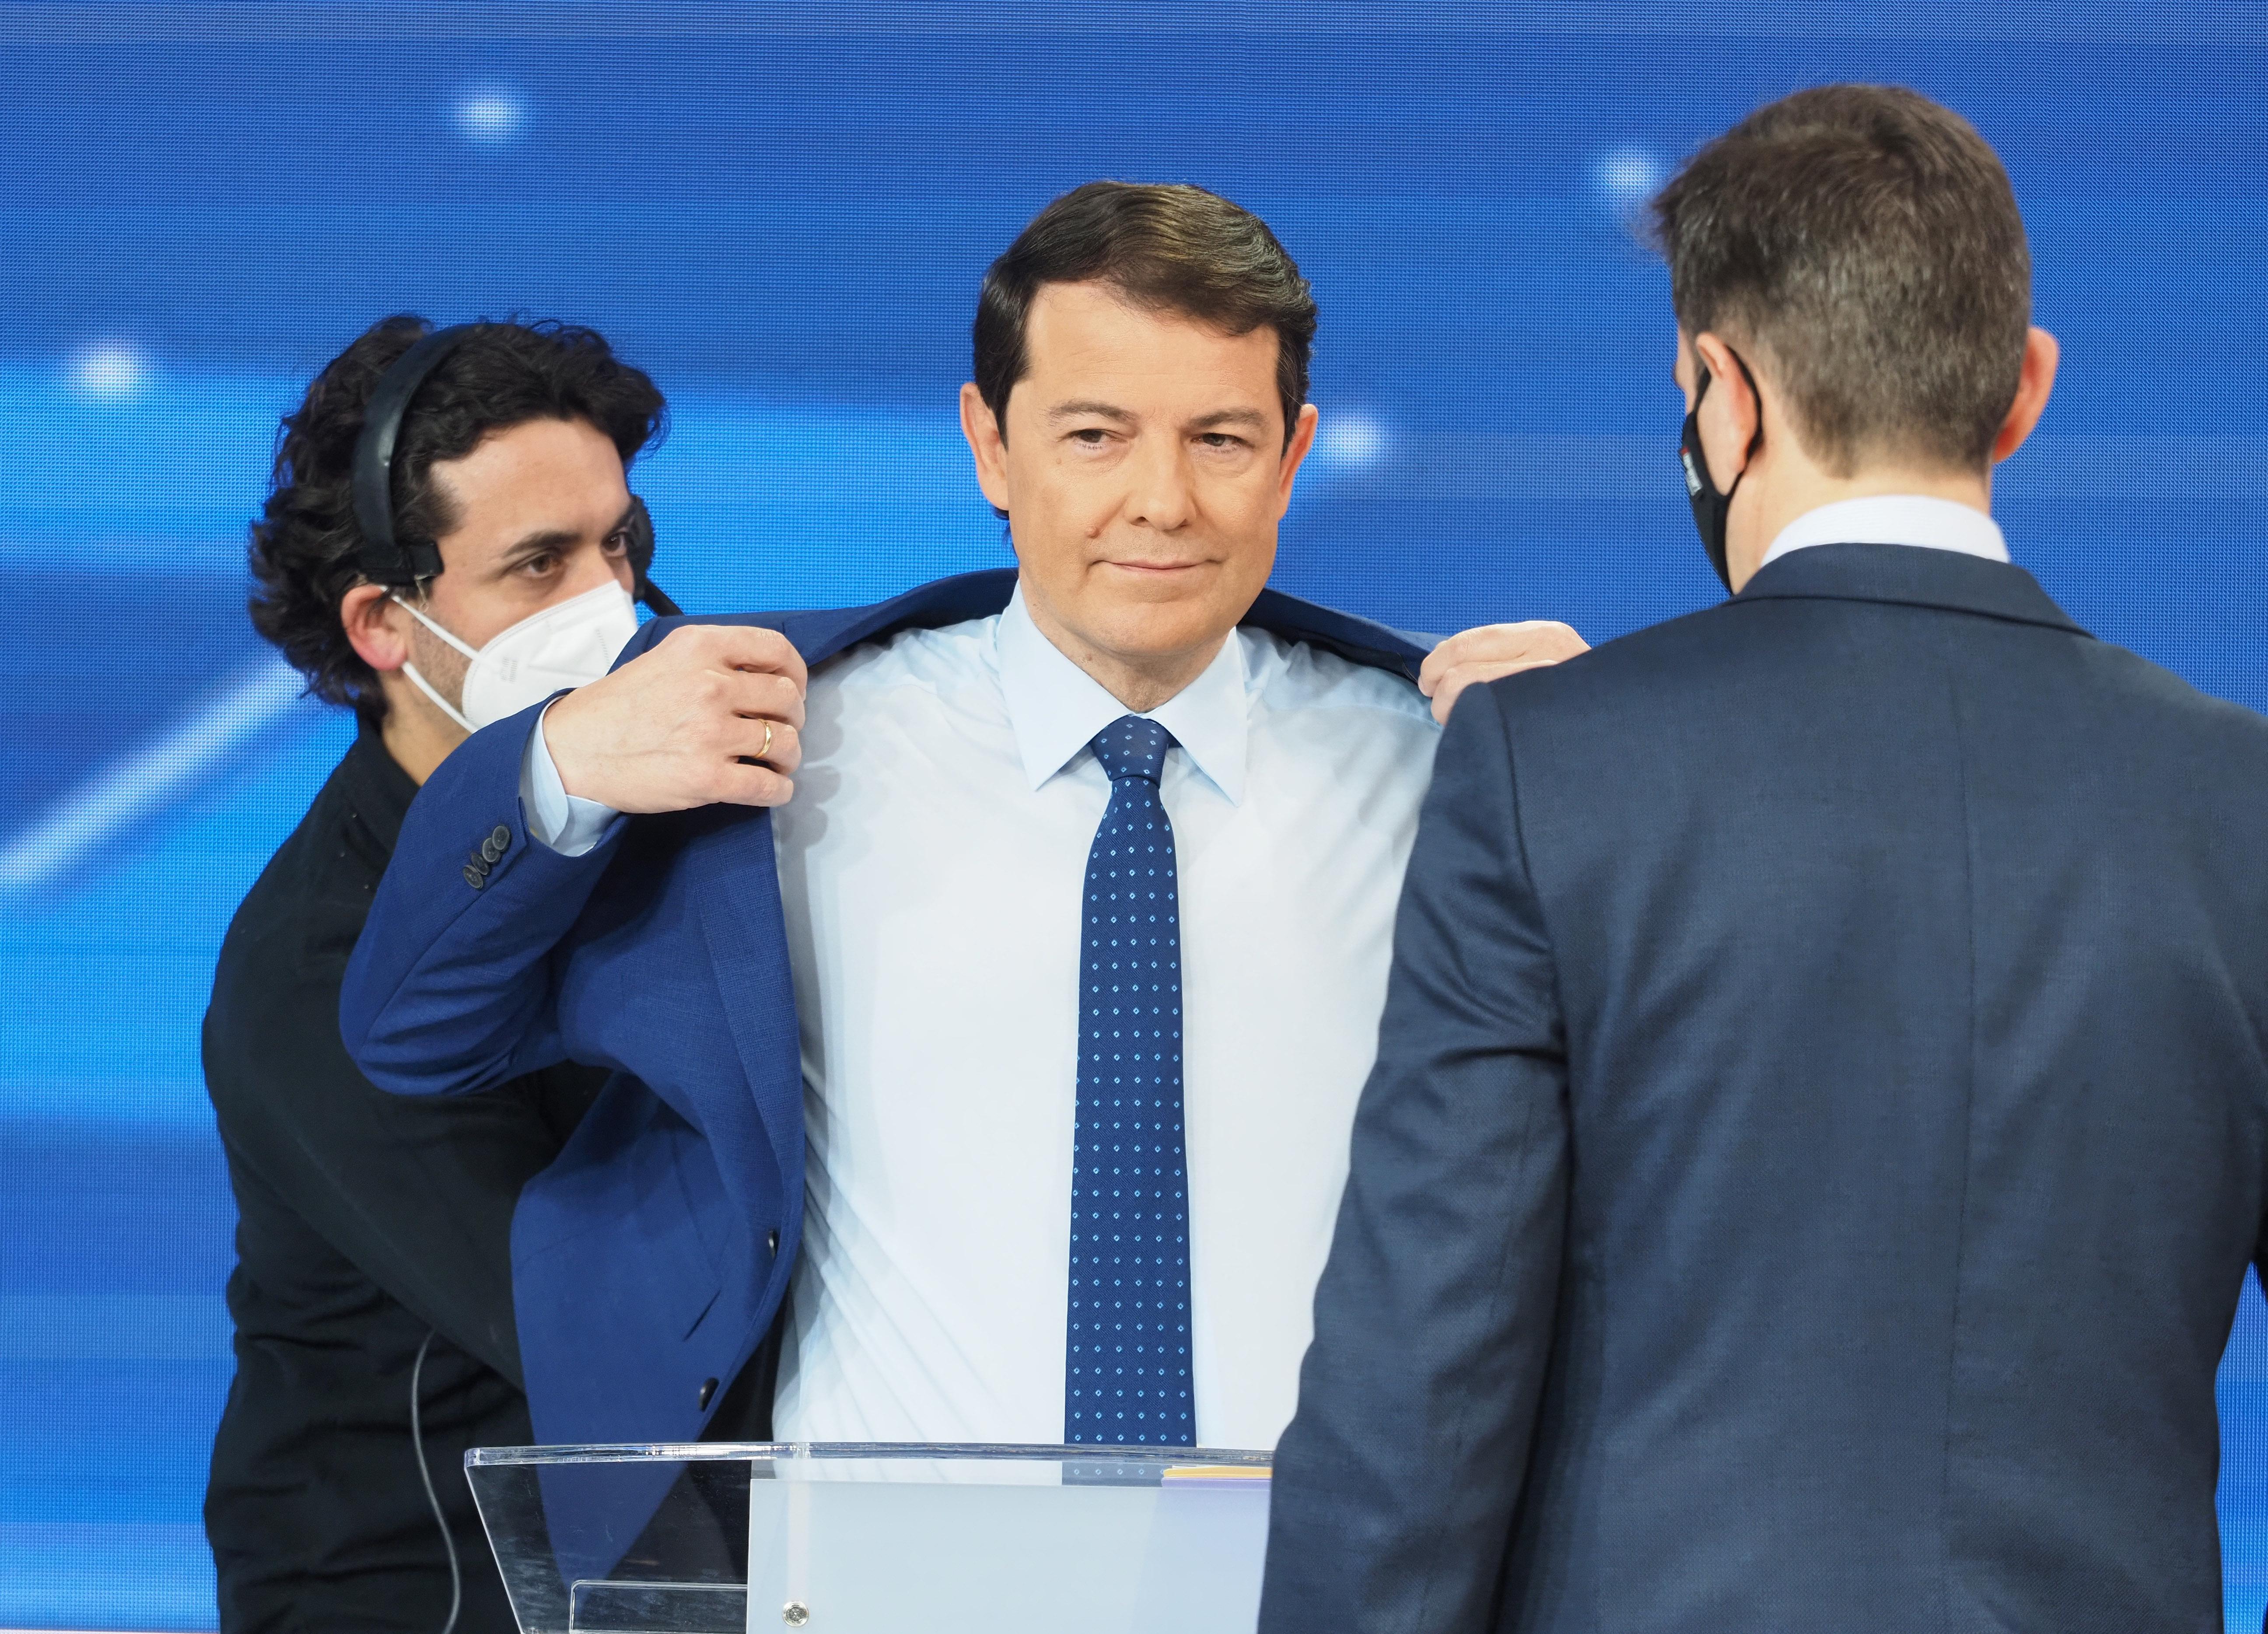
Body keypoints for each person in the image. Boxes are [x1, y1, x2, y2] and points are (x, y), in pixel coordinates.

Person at [339, 181, 1586, 1528]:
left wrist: (1627, 778)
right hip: (885, 1578)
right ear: (990, 446)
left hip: (1335, 1577)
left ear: (1293, 455)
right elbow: (417, 1030)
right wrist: (559, 768)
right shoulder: (774, 733)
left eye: (1222, 438)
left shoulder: (1452, 762)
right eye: (1095, 435)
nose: (1160, 502)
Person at [1259, 83, 2268, 1633]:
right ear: (2026, 388)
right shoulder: (2240, 798)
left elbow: (1424, 1393)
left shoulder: (1547, 769)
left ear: (1721, 397)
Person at [201, 316, 714, 1633]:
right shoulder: (318, 964)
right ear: (385, 622)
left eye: (620, 545)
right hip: (416, 1595)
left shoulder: (649, 822)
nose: (607, 604)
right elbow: (591, 1331)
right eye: (538, 566)